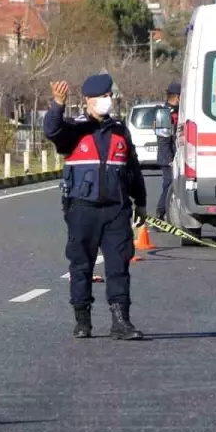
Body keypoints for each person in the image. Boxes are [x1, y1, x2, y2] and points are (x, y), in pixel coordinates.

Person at [44, 76, 148, 339]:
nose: (108, 100)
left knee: (119, 266)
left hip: (117, 210)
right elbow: (52, 131)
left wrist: (142, 203)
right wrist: (58, 104)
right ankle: (82, 320)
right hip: (82, 209)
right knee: (81, 266)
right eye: (103, 96)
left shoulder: (119, 130)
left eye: (109, 95)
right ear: (89, 101)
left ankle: (121, 322)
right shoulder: (75, 130)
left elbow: (132, 169)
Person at [155, 81, 181, 219]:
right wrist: (170, 159)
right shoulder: (164, 113)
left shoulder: (177, 112)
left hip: (176, 155)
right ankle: (160, 213)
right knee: (169, 184)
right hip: (168, 157)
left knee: (172, 185)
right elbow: (163, 140)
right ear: (177, 97)